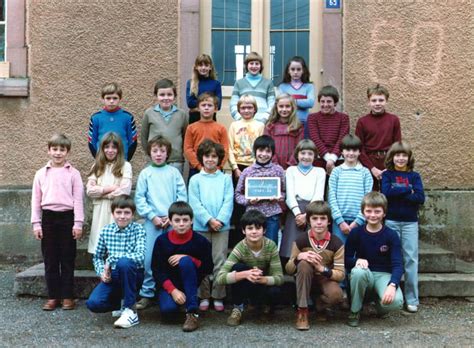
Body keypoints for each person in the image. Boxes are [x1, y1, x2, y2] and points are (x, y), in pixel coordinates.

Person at [31, 133, 84, 311]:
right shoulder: (40, 174)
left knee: (67, 258)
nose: (58, 153)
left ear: (67, 152)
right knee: (51, 259)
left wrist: (78, 223)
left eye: (62, 149)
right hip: (48, 218)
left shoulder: (74, 174)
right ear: (48, 151)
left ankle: (67, 296)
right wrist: (36, 224)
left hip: (67, 217)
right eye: (55, 149)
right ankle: (53, 296)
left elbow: (78, 200)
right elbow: (35, 201)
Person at [134, 135, 187, 309]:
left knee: (172, 257)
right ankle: (147, 292)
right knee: (149, 258)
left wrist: (172, 217)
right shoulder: (146, 173)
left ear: (167, 154)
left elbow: (181, 196)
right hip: (153, 222)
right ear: (150, 153)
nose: (158, 154)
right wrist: (152, 216)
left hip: (172, 223)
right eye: (155, 151)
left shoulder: (174, 173)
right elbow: (140, 198)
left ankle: (171, 290)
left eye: (162, 151)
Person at [151, 202, 213, 332]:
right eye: (177, 220)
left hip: (191, 283)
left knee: (185, 262)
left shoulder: (201, 242)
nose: (181, 224)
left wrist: (189, 259)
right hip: (170, 285)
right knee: (168, 312)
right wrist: (173, 290)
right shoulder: (162, 241)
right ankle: (180, 304)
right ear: (171, 222)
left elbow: (208, 268)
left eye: (185, 220)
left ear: (191, 221)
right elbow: (157, 270)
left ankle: (192, 312)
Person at [345, 192, 404, 327]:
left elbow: (398, 264)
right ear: (363, 212)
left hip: (383, 275)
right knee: (358, 272)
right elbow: (346, 259)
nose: (373, 215)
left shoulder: (391, 235)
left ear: (384, 213)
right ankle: (355, 311)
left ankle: (380, 305)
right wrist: (356, 261)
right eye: (369, 211)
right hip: (364, 274)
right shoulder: (356, 233)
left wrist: (392, 285)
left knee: (395, 302)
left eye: (377, 211)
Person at [86, 195, 145, 329]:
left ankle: (131, 311)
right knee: (93, 304)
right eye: (118, 212)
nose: (122, 216)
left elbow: (140, 256)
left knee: (124, 262)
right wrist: (102, 272)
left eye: (127, 213)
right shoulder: (106, 231)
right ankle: (120, 305)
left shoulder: (138, 230)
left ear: (133, 214)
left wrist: (111, 259)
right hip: (113, 275)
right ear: (113, 213)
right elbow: (98, 257)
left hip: (133, 274)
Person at [216, 210, 284, 327]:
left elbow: (279, 278)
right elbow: (220, 278)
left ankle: (264, 307)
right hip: (246, 284)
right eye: (250, 228)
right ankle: (237, 308)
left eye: (258, 228)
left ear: (264, 230)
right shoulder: (240, 247)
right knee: (238, 267)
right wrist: (245, 274)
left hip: (262, 283)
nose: (254, 232)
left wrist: (260, 278)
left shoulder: (271, 246)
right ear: (243, 230)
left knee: (275, 291)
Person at [188, 140, 233, 312]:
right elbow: (194, 202)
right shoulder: (195, 179)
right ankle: (204, 295)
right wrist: (208, 220)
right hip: (201, 226)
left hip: (221, 226)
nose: (210, 160)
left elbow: (228, 201)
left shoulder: (225, 179)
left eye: (214, 156)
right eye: (207, 156)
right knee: (203, 261)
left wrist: (219, 220)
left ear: (219, 159)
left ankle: (218, 296)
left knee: (220, 260)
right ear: (201, 158)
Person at [286, 201, 345, 330]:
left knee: (336, 295)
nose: (319, 222)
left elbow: (340, 274)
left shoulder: (337, 243)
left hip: (324, 279)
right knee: (304, 264)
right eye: (314, 218)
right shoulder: (300, 240)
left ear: (329, 221)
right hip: (305, 277)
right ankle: (302, 311)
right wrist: (298, 258)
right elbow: (289, 269)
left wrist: (322, 269)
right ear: (309, 221)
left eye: (323, 218)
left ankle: (319, 305)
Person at [381, 141, 425, 313]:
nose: (400, 158)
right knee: (390, 257)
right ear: (392, 157)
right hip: (391, 221)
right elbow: (386, 194)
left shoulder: (414, 176)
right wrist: (408, 190)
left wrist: (397, 190)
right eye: (397, 155)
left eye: (404, 155)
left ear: (409, 158)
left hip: (409, 223)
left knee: (411, 259)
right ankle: (389, 293)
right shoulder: (387, 175)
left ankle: (412, 298)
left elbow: (420, 198)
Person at [227, 94, 264, 247]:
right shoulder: (234, 125)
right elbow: (229, 147)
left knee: (254, 203)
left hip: (254, 168)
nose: (246, 110)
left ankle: (255, 236)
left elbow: (261, 147)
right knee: (239, 204)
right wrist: (235, 168)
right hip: (238, 168)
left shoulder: (260, 125)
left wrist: (255, 167)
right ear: (239, 109)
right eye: (243, 107)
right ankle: (238, 240)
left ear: (255, 109)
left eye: (249, 107)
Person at [235, 135, 286, 245]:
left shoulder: (278, 170)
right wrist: (248, 200)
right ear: (255, 151)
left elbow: (284, 192)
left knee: (271, 246)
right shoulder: (247, 171)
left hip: (272, 216)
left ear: (272, 153)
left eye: (268, 151)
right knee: (253, 247)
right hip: (252, 216)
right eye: (261, 150)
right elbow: (238, 195)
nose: (264, 154)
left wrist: (278, 197)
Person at [86, 132, 132, 254]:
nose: (110, 150)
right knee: (99, 244)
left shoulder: (125, 166)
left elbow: (124, 190)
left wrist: (101, 192)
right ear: (102, 149)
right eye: (107, 147)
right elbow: (90, 191)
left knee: (116, 245)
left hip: (117, 209)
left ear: (119, 149)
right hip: (100, 210)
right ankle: (101, 271)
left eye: (114, 147)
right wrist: (109, 189)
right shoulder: (96, 166)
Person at [280, 139, 326, 261]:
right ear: (297, 154)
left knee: (309, 245)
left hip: (312, 211)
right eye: (303, 153)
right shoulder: (291, 170)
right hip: (295, 211)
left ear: (315, 156)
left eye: (310, 154)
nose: (306, 157)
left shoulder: (320, 172)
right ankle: (291, 267)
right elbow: (289, 196)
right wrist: (298, 215)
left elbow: (319, 195)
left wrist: (307, 215)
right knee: (291, 245)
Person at [355, 84, 402, 190]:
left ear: (386, 101)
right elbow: (359, 148)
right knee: (372, 196)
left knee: (390, 195)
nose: (377, 103)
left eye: (381, 100)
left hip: (389, 162)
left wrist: (389, 167)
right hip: (369, 163)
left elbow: (397, 145)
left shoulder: (393, 120)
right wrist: (372, 168)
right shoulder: (362, 121)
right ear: (368, 102)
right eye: (374, 100)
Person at [328, 134, 373, 245]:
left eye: (354, 150)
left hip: (359, 221)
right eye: (347, 150)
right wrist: (340, 221)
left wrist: (358, 221)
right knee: (340, 253)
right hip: (339, 221)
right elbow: (331, 197)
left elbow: (368, 200)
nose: (351, 153)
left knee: (358, 254)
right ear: (342, 152)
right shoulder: (336, 172)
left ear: (359, 152)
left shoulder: (365, 173)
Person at [141, 78, 188, 174]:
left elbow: (185, 136)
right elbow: (143, 136)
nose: (166, 98)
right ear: (156, 96)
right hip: (154, 160)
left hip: (175, 161)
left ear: (174, 96)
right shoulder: (149, 113)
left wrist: (180, 153)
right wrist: (151, 153)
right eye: (162, 95)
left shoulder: (181, 114)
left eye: (169, 94)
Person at [88, 82, 138, 161]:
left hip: (122, 160)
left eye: (115, 98)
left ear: (120, 98)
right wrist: (98, 159)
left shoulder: (128, 117)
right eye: (108, 98)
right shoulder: (95, 118)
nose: (111, 101)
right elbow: (91, 142)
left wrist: (126, 159)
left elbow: (133, 142)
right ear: (102, 99)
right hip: (102, 161)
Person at [183, 92, 229, 178]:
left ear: (215, 109)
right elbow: (188, 149)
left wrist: (219, 166)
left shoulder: (221, 128)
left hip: (216, 168)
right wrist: (198, 166)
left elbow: (225, 149)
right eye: (203, 105)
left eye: (210, 105)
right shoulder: (191, 128)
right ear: (198, 108)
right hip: (196, 169)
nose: (206, 108)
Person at [307, 85, 350, 174]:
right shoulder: (312, 118)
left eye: (329, 101)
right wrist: (328, 159)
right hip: (318, 160)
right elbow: (315, 139)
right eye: (322, 101)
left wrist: (332, 159)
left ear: (335, 102)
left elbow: (342, 140)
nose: (325, 105)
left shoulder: (343, 118)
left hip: (338, 160)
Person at [230, 51, 275, 123]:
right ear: (246, 65)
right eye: (251, 63)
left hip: (263, 123)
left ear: (261, 66)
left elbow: (272, 104)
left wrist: (265, 119)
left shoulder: (268, 83)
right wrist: (240, 119)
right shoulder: (239, 83)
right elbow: (233, 104)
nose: (254, 66)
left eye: (257, 64)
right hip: (243, 122)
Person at [264, 93, 304, 170]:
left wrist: (291, 165)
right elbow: (268, 146)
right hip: (273, 167)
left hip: (293, 167)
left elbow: (299, 147)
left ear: (292, 108)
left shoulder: (298, 126)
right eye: (281, 106)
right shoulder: (270, 126)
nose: (284, 109)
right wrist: (275, 165)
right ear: (276, 108)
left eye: (287, 106)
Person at [278, 56, 315, 138]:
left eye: (298, 69)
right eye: (292, 69)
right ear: (288, 71)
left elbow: (311, 102)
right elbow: (279, 103)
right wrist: (302, 102)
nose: (295, 72)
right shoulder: (282, 87)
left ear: (303, 71)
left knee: (303, 146)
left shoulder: (309, 86)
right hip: (287, 122)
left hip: (304, 121)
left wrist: (291, 101)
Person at [186, 54, 222, 124]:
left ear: (210, 67)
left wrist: (196, 107)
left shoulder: (216, 84)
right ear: (196, 67)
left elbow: (218, 105)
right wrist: (210, 104)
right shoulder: (190, 83)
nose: (203, 68)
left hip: (211, 120)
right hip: (194, 120)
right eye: (200, 65)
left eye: (206, 65)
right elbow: (190, 103)